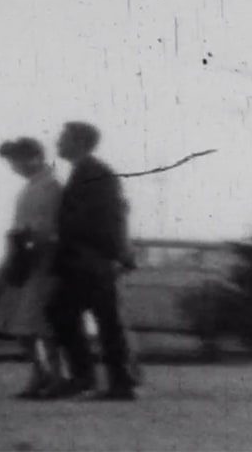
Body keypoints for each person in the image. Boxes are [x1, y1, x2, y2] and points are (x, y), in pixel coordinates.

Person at [0, 137, 68, 398]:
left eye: (17, 161)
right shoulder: (30, 187)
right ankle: (40, 372)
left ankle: (57, 375)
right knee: (18, 321)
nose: (14, 167)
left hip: (44, 262)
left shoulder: (52, 187)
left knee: (40, 323)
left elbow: (52, 226)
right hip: (23, 261)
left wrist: (32, 239)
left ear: (35, 158)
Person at [42, 122, 141, 401]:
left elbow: (110, 217)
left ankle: (101, 380)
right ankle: (102, 380)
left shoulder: (96, 173)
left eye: (63, 138)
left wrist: (114, 254)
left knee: (95, 319)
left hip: (91, 261)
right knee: (74, 315)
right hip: (84, 260)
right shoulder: (86, 172)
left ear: (80, 142)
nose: (58, 142)